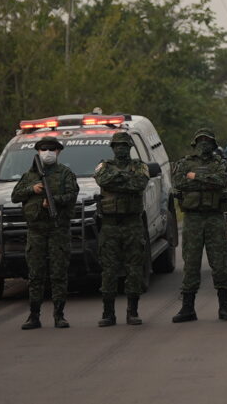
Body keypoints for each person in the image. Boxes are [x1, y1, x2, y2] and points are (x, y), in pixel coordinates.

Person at [11, 135, 80, 329]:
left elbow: (72, 195)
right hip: (36, 231)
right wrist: (32, 189)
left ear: (58, 152)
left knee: (58, 273)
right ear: (38, 152)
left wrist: (54, 200)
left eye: (52, 149)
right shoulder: (29, 176)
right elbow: (15, 196)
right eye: (43, 149)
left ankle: (59, 314)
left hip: (58, 230)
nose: (48, 153)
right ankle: (34, 315)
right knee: (35, 275)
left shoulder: (66, 173)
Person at [172, 128, 227, 323]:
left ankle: (224, 306)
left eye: (208, 141)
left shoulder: (220, 163)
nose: (204, 144)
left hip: (214, 217)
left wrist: (195, 177)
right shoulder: (184, 163)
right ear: (195, 143)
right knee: (191, 263)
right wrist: (205, 180)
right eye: (200, 141)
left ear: (214, 144)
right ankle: (187, 307)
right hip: (192, 218)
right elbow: (179, 182)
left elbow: (222, 181)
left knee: (220, 263)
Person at [95, 131, 150, 326]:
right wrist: (125, 178)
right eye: (117, 145)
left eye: (124, 146)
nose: (121, 149)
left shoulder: (140, 166)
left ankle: (132, 311)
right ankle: (108, 313)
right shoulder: (104, 166)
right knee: (108, 270)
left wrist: (118, 180)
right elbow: (103, 180)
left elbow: (139, 184)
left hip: (132, 223)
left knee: (134, 269)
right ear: (112, 148)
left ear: (130, 148)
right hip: (110, 225)